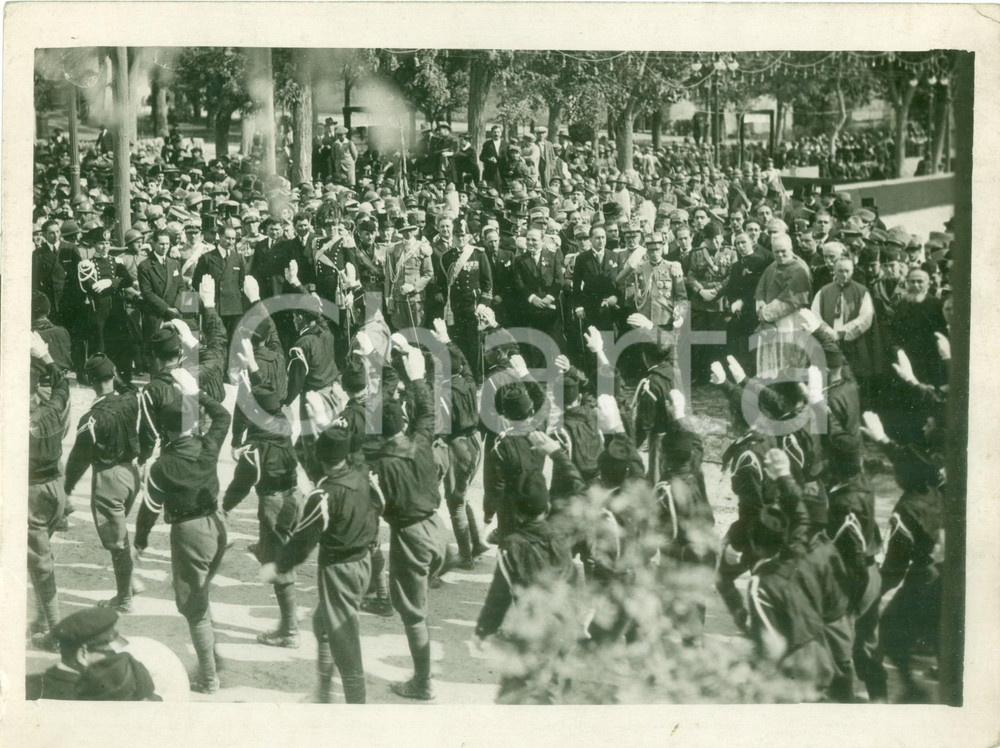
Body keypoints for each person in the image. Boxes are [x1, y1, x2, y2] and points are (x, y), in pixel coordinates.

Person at [133, 367, 231, 694]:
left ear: (166, 430)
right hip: (218, 525)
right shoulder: (207, 445)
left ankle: (209, 678)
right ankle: (212, 655)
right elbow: (223, 416)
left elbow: (149, 510)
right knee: (202, 592)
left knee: (194, 608)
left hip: (190, 533)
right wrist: (197, 394)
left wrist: (140, 542)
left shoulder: (162, 467)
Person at [269, 425, 381, 703]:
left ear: (320, 458)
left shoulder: (324, 495)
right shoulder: (361, 476)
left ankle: (356, 708)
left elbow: (302, 542)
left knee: (345, 645)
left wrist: (279, 566)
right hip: (363, 562)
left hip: (339, 570)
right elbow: (379, 505)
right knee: (322, 622)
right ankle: (323, 693)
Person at [368, 344, 450, 700]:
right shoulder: (421, 439)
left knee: (413, 614)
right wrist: (416, 377)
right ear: (402, 422)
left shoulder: (379, 465)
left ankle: (423, 682)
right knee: (423, 591)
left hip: (410, 538)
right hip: (439, 530)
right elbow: (427, 412)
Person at [63, 354, 141, 613]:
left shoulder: (91, 418)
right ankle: (130, 580)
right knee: (121, 533)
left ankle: (124, 598)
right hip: (132, 474)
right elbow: (128, 387)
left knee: (117, 543)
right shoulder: (130, 399)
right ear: (114, 374)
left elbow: (78, 460)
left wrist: (67, 489)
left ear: (89, 381)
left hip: (109, 480)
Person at [28, 331, 72, 651]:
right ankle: (44, 621)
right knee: (39, 558)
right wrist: (47, 359)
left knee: (41, 565)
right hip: (56, 489)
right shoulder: (53, 409)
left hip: (31, 494)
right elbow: (62, 385)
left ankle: (54, 632)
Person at [26, 607, 129, 700]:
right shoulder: (117, 686)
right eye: (107, 651)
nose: (115, 656)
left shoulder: (29, 687)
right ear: (83, 654)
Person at [753, 233, 812, 377]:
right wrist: (760, 307)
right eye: (776, 252)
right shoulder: (772, 267)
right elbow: (760, 292)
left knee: (788, 358)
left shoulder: (799, 269)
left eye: (783, 251)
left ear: (791, 249)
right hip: (769, 320)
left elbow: (791, 301)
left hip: (789, 319)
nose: (780, 255)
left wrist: (764, 314)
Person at [192, 222, 247, 341]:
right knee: (216, 340)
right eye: (228, 238)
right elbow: (196, 283)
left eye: (233, 239)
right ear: (220, 237)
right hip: (215, 306)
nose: (231, 242)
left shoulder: (238, 258)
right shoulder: (207, 258)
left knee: (232, 341)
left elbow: (241, 282)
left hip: (234, 308)